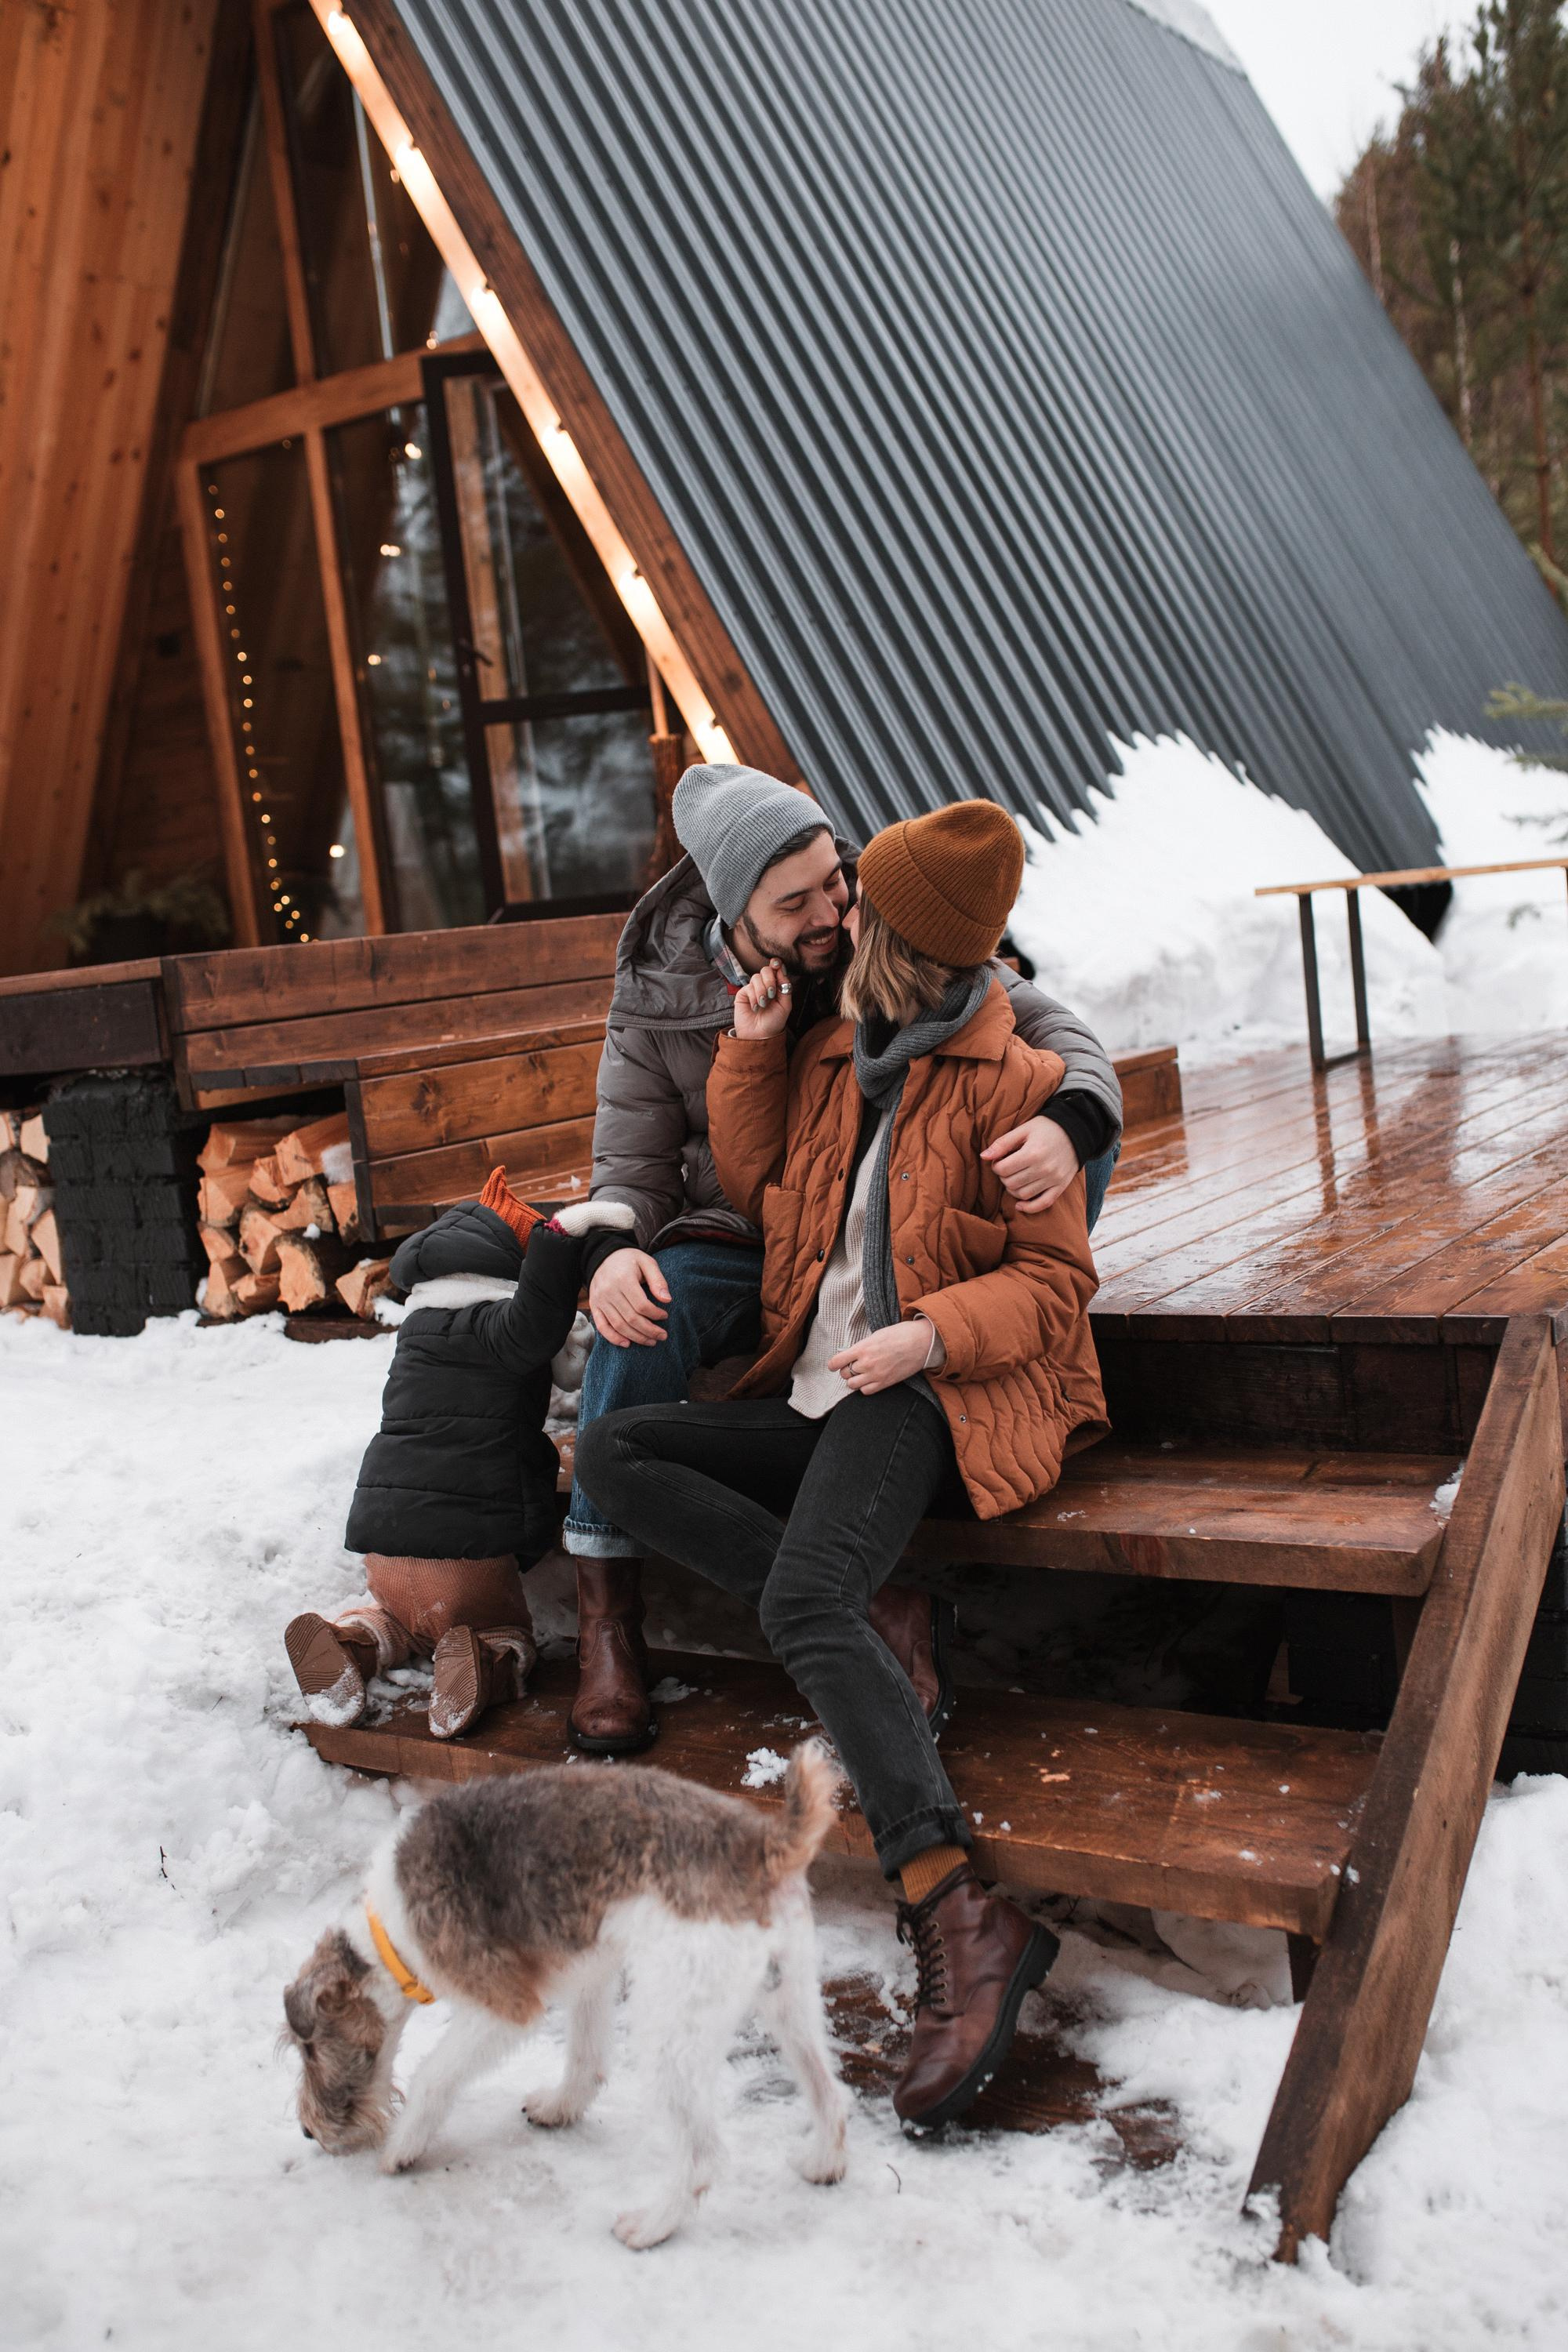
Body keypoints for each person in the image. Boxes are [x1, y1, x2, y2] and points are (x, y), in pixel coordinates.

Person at [575, 800, 1108, 2129]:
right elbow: (760, 1189)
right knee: (618, 1449)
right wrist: (751, 1056)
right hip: (828, 1390)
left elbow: (1054, 1290)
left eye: (860, 906)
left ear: (906, 941)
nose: (839, 917)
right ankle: (878, 1618)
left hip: (937, 1395)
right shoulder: (828, 1057)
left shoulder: (1014, 1084)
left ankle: (954, 1903)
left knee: (803, 1599)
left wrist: (930, 1334)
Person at [562, 763, 1123, 1755]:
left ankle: (841, 1598)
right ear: (737, 911)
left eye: (836, 881)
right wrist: (608, 1250)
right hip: (733, 1231)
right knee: (642, 1310)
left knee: (1005, 1205)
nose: (832, 906)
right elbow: (646, 1165)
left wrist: (1073, 1120)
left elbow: (1033, 1021)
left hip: (861, 1240)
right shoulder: (657, 1001)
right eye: (800, 901)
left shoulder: (884, 916)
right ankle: (609, 1616)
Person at [285, 1172, 633, 1743]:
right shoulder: (501, 1326)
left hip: (384, 1540)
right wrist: (560, 1238)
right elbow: (540, 1323)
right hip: (465, 1552)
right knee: (500, 1630)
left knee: (397, 1621)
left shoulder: (417, 1331)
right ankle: (482, 1658)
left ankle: (352, 1643)